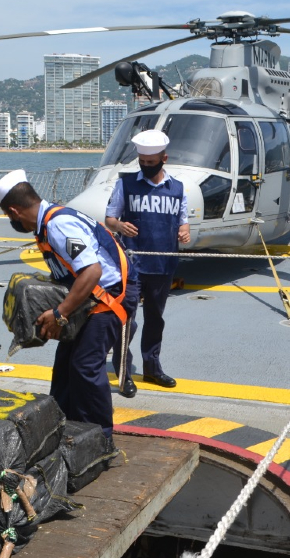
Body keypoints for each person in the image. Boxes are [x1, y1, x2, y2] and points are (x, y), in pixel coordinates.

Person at [0, 169, 136, 439]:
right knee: (66, 367)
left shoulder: (58, 225)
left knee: (84, 367)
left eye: (8, 215)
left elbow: (92, 272)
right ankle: (63, 426)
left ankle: (99, 437)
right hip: (89, 299)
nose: (10, 220)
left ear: (14, 211)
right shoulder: (47, 223)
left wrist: (60, 313)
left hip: (108, 299)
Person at [105, 130, 188, 394]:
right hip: (132, 264)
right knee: (126, 318)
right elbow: (109, 219)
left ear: (164, 158)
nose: (147, 166)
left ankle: (152, 367)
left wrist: (184, 231)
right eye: (143, 161)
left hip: (164, 263)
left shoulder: (177, 188)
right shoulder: (125, 185)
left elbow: (183, 221)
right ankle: (123, 371)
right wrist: (119, 225)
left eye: (152, 162)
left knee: (155, 318)